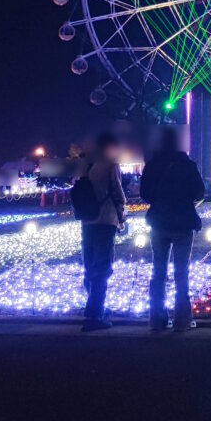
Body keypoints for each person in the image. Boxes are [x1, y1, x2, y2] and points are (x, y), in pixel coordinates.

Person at [139, 125, 205, 332]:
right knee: (181, 271)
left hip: (159, 221)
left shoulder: (152, 164)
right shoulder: (188, 165)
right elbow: (199, 192)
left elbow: (145, 195)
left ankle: (157, 319)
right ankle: (182, 321)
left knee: (158, 271)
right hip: (183, 221)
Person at [80, 132, 125, 332]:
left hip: (87, 220)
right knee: (103, 266)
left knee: (89, 265)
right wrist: (122, 214)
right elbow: (118, 191)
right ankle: (96, 312)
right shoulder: (110, 164)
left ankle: (92, 306)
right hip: (106, 219)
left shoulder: (85, 164)